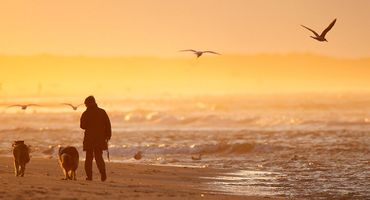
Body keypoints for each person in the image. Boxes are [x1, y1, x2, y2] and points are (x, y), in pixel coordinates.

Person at [80, 96, 111, 181]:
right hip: (100, 138)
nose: (85, 105)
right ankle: (103, 173)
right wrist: (108, 136)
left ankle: (89, 177)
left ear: (88, 103)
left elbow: (82, 126)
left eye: (86, 104)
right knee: (98, 157)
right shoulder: (102, 112)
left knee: (89, 158)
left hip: (89, 139)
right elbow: (108, 125)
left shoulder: (85, 113)